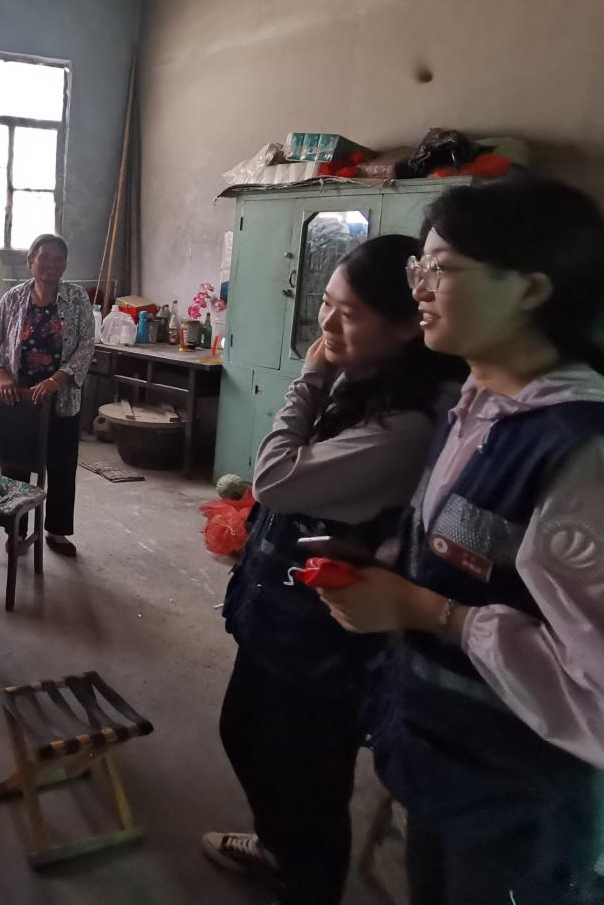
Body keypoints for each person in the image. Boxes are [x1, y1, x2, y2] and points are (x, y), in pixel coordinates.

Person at [319, 178, 604, 905]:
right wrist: (397, 568)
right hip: (448, 762)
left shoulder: (587, 450)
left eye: (443, 268)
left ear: (531, 289)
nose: (420, 288)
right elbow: (482, 555)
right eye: (417, 268)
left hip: (528, 798)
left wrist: (428, 611)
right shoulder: (480, 406)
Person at [205, 235, 463, 905]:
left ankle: (307, 883)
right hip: (282, 608)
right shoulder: (368, 381)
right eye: (325, 304)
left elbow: (276, 478)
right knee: (244, 732)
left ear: (405, 326)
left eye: (347, 314)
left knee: (309, 780)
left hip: (325, 636)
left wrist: (310, 377)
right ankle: (278, 849)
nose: (326, 325)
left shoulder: (409, 423)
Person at [0, 234, 96, 558]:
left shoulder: (77, 298)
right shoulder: (12, 299)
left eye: (58, 259)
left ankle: (57, 530)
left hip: (60, 398)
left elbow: (86, 345)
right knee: (15, 466)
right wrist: (0, 373)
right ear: (30, 262)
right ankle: (16, 529)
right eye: (45, 258)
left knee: (62, 465)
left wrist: (57, 379)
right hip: (19, 400)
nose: (52, 264)